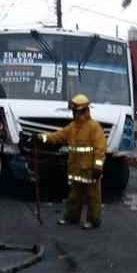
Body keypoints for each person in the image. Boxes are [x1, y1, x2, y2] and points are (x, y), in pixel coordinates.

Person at [39, 94, 107, 230]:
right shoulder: (72, 127)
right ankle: (71, 218)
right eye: (73, 111)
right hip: (76, 170)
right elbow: (57, 136)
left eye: (75, 111)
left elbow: (100, 149)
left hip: (90, 171)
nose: (74, 113)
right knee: (74, 196)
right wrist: (41, 138)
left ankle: (93, 221)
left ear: (83, 110)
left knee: (93, 197)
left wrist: (98, 167)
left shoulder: (94, 128)